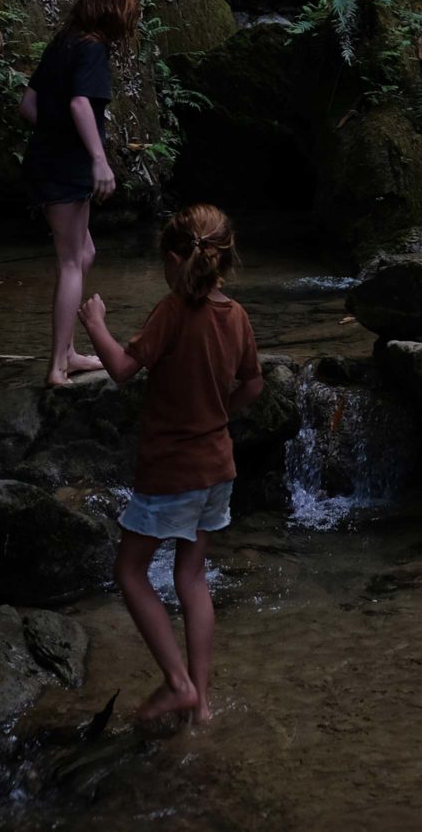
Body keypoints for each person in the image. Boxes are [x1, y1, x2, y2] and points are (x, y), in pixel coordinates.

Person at [77, 203, 264, 726]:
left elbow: (119, 370)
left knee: (130, 571)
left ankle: (178, 684)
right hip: (217, 467)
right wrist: (219, 413)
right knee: (193, 574)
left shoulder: (173, 311)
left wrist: (95, 324)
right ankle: (200, 702)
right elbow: (253, 384)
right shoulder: (238, 315)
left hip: (171, 470)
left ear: (173, 259)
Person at [18, 0, 139, 388]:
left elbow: (28, 105)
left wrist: (55, 137)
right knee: (71, 262)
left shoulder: (62, 44)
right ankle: (57, 366)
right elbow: (80, 103)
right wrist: (98, 159)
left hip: (46, 162)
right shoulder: (91, 49)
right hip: (66, 169)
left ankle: (68, 351)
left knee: (84, 253)